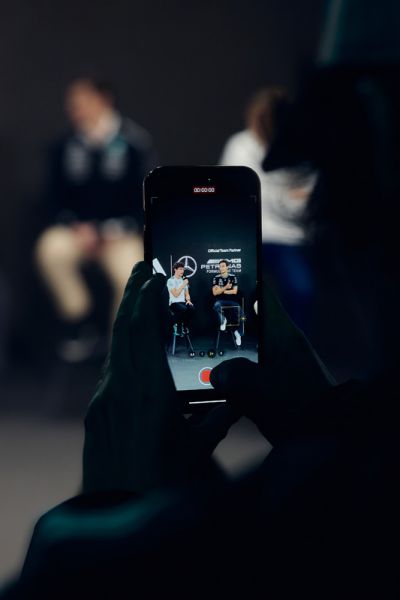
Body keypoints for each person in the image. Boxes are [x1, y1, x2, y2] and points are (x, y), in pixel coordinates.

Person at [34, 77, 157, 362]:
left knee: (133, 271)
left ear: (103, 100)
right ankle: (80, 320)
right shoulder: (64, 143)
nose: (74, 109)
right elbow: (52, 197)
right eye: (72, 104)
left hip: (120, 234)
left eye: (81, 102)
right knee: (51, 249)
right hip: (78, 232)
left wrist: (119, 227)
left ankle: (119, 346)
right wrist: (75, 225)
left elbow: (146, 196)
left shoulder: (134, 142)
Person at [219, 86, 316, 333]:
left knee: (302, 289)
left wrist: (272, 195)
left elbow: (304, 205)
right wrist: (286, 195)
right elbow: (236, 198)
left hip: (288, 239)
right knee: (232, 291)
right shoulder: (241, 145)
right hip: (247, 236)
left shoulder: (302, 147)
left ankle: (294, 347)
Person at [212, 259, 244, 346]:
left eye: (223, 266)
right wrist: (226, 287)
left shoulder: (233, 277)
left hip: (232, 301)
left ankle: (238, 333)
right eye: (220, 266)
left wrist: (221, 290)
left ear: (227, 267)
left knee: (242, 314)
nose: (221, 268)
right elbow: (214, 293)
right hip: (220, 301)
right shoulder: (216, 278)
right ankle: (223, 320)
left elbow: (234, 291)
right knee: (216, 305)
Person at [167, 261, 194, 335]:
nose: (182, 271)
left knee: (191, 308)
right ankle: (177, 325)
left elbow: (187, 293)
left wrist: (188, 300)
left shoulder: (183, 280)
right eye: (180, 269)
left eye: (183, 269)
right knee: (183, 309)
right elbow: (176, 294)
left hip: (182, 302)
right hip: (173, 303)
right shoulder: (170, 280)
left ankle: (184, 326)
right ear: (175, 270)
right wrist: (183, 284)